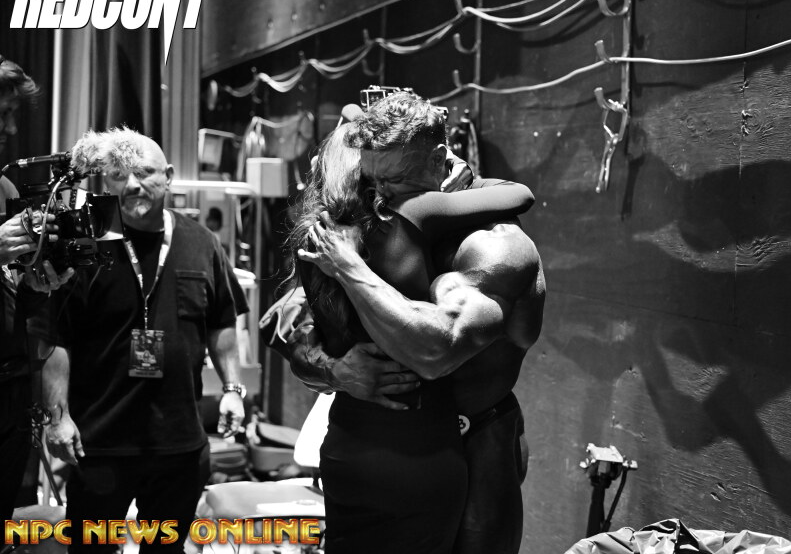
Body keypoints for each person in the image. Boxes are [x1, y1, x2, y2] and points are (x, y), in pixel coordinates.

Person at [284, 93, 536, 554]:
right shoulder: (367, 224)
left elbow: (438, 349)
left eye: (395, 179)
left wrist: (351, 270)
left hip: (477, 442)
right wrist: (336, 370)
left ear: (439, 160)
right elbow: (289, 330)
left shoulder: (493, 240)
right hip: (386, 445)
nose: (381, 193)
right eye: (372, 178)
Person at [36, 128, 248, 553]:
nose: (132, 184)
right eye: (119, 175)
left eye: (145, 172)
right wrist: (57, 418)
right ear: (107, 183)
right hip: (100, 443)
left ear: (168, 176)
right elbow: (56, 338)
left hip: (179, 446)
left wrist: (232, 389)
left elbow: (221, 322)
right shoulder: (86, 247)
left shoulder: (202, 243)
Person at [0, 56, 73, 526]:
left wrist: (36, 285)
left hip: (9, 391)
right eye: (2, 114)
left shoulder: (5, 188)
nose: (10, 129)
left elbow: (18, 302)